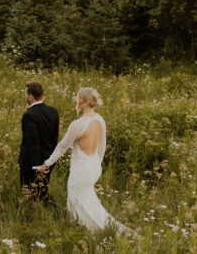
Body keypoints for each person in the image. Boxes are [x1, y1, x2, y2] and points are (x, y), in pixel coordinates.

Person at [37, 87, 127, 233]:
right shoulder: (100, 120)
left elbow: (61, 147)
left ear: (85, 102)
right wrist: (97, 164)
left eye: (78, 98)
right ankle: (102, 229)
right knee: (89, 200)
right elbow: (102, 146)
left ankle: (85, 230)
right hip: (94, 166)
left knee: (75, 200)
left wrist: (47, 163)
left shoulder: (77, 125)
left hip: (81, 169)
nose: (76, 100)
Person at [18, 80, 59, 202]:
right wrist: (50, 160)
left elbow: (33, 142)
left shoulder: (29, 115)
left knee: (31, 194)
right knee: (43, 191)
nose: (25, 96)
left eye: (26, 94)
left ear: (30, 97)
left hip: (32, 163)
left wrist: (36, 166)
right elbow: (54, 138)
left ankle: (38, 215)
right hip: (48, 161)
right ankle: (51, 213)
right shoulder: (53, 111)